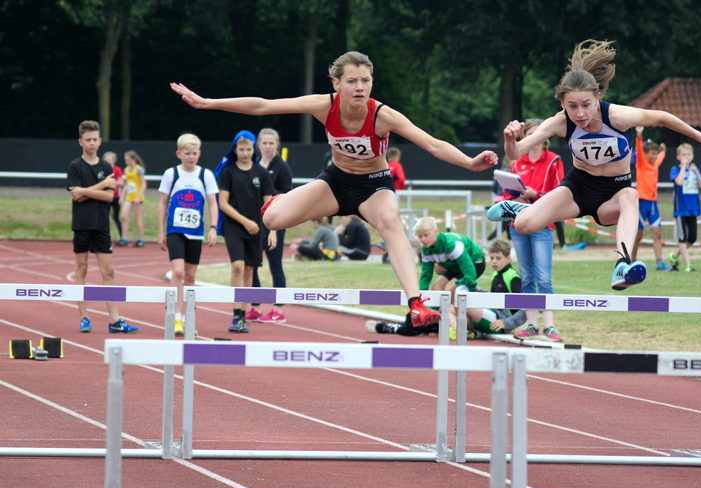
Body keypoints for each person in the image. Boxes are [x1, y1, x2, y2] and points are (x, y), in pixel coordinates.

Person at [171, 50, 497, 327]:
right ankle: (286, 200)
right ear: (337, 83)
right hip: (336, 182)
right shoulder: (324, 106)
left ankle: (416, 303)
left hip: (373, 187)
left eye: (365, 81)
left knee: (390, 223)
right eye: (352, 81)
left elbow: (433, 144)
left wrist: (470, 163)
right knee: (271, 220)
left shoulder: (383, 115)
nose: (359, 87)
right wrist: (208, 103)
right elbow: (263, 106)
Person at [487, 40, 701, 290]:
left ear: (598, 98)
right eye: (572, 106)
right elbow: (516, 153)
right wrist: (509, 139)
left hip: (613, 193)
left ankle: (622, 265)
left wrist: (698, 136)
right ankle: (518, 210)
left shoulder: (616, 116)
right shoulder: (559, 122)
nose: (580, 113)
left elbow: (661, 116)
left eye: (586, 105)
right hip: (577, 188)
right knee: (524, 226)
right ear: (562, 104)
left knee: (630, 195)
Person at [66, 120, 139, 334]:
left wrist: (86, 191)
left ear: (100, 141)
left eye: (95, 139)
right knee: (82, 269)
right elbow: (76, 196)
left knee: (108, 270)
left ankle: (114, 320)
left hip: (101, 225)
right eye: (87, 140)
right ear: (80, 142)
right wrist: (100, 186)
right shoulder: (74, 166)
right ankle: (84, 317)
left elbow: (109, 197)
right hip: (81, 225)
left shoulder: (106, 167)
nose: (91, 143)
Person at [499, 119, 564, 342]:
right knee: (526, 276)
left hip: (543, 223)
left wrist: (537, 195)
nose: (535, 138)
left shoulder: (554, 160)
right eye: (531, 134)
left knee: (543, 276)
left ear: (546, 136)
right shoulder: (517, 161)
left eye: (539, 133)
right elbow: (507, 194)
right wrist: (515, 195)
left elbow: (561, 194)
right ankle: (531, 324)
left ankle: (550, 326)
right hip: (519, 223)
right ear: (525, 137)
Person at [157, 133, 219, 336]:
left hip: (196, 232)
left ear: (199, 154)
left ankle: (187, 318)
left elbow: (212, 202)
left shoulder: (206, 175)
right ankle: (175, 318)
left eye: (194, 153)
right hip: (175, 230)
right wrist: (161, 231)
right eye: (187, 153)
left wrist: (213, 227)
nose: (191, 157)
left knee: (191, 276)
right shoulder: (171, 174)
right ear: (179, 154)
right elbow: (162, 202)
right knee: (178, 273)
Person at [216, 130, 276, 333]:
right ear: (235, 150)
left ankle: (242, 313)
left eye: (248, 149)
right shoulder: (228, 172)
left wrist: (273, 230)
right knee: (238, 267)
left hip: (256, 229)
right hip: (234, 227)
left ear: (254, 150)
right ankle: (235, 314)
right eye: (241, 149)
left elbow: (270, 204)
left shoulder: (261, 173)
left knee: (250, 269)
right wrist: (244, 221)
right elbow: (222, 203)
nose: (244, 153)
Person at [245, 128, 293, 324]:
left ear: (277, 145)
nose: (267, 146)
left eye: (271, 143)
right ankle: (255, 307)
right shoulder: (252, 165)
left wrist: (274, 229)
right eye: (264, 143)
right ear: (258, 145)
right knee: (253, 264)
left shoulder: (282, 167)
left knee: (275, 264)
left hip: (275, 223)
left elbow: (286, 197)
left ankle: (278, 309)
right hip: (253, 224)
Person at [445, 239, 528, 340]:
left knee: (465, 303)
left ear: (508, 258)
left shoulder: (513, 277)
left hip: (502, 323)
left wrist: (506, 323)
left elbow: (525, 309)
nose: (494, 261)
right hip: (491, 315)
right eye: (491, 258)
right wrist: (478, 290)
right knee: (450, 308)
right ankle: (461, 332)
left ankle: (467, 332)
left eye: (498, 258)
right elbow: (494, 299)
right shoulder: (496, 274)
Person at [414, 216, 485, 297]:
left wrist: (472, 285)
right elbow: (425, 276)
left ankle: (477, 294)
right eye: (420, 236)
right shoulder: (426, 250)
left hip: (474, 262)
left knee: (449, 289)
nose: (423, 239)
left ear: (436, 232)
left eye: (426, 235)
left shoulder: (451, 245)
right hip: (457, 266)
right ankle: (439, 310)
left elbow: (469, 271)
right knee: (436, 288)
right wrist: (420, 300)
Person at [631, 126, 668, 271]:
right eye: (652, 154)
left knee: (657, 234)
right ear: (646, 154)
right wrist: (639, 136)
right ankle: (631, 260)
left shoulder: (655, 165)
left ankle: (659, 262)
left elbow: (661, 155)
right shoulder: (641, 164)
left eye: (655, 154)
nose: (654, 156)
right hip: (641, 203)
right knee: (638, 235)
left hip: (653, 204)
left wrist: (663, 150)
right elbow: (639, 150)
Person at [668, 143, 701, 272]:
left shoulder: (695, 170)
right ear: (678, 157)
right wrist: (684, 167)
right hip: (680, 209)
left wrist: (696, 171)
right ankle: (688, 265)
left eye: (689, 154)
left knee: (692, 238)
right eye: (683, 155)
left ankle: (674, 256)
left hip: (693, 208)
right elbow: (678, 182)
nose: (686, 157)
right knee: (682, 238)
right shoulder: (675, 169)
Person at [118, 150, 147, 247]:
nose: (126, 162)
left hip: (137, 198)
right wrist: (122, 197)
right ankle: (124, 238)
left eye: (128, 160)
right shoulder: (126, 169)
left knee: (137, 218)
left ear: (133, 159)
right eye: (125, 160)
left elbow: (143, 184)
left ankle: (141, 239)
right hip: (129, 197)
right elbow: (126, 184)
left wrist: (139, 196)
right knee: (123, 216)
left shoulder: (139, 169)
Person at [102, 151, 125, 240]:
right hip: (104, 196)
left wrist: (110, 183)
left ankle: (122, 236)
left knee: (116, 217)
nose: (109, 162)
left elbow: (121, 182)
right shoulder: (102, 169)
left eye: (110, 160)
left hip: (115, 197)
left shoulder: (116, 169)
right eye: (107, 160)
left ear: (114, 161)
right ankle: (105, 236)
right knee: (104, 217)